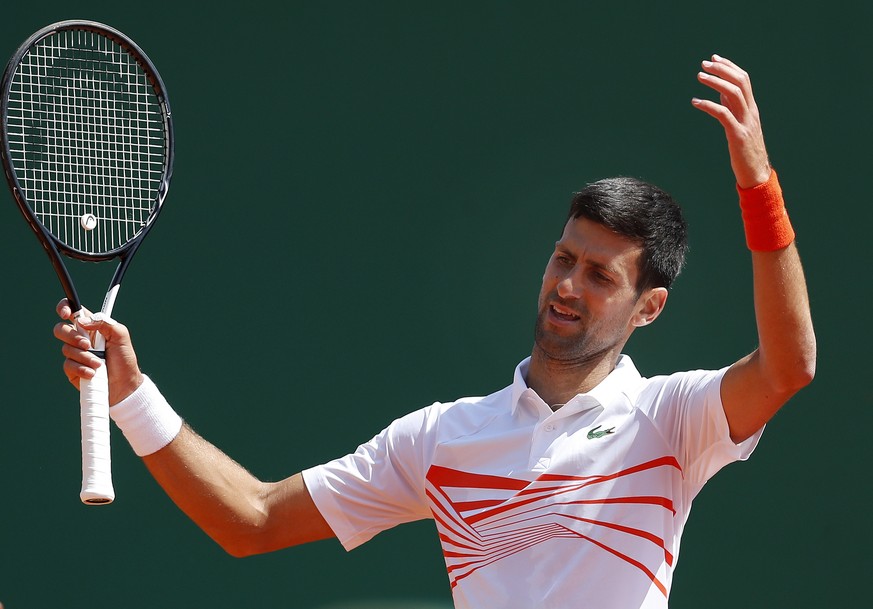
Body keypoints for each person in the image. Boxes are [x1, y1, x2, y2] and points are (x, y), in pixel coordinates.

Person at [54, 55, 815, 609]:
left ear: (647, 308)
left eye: (599, 275)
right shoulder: (441, 437)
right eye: (563, 257)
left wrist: (758, 187)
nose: (566, 285)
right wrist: (129, 394)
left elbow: (788, 367)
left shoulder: (671, 420)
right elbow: (249, 520)